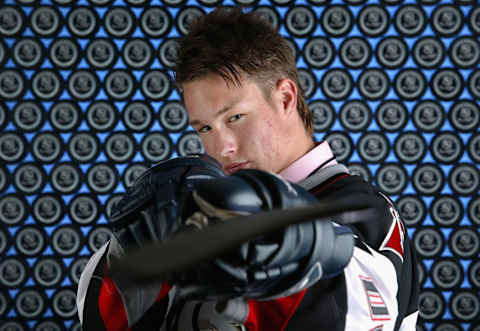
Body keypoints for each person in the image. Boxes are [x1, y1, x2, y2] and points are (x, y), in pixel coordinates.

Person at [76, 7, 419, 331]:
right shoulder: (204, 214)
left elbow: (364, 309)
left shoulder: (368, 213)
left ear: (285, 98)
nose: (221, 147)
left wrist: (289, 240)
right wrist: (133, 254)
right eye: (204, 128)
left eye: (235, 117)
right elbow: (96, 318)